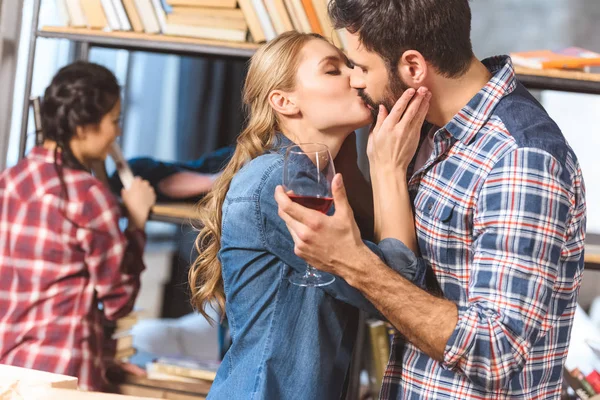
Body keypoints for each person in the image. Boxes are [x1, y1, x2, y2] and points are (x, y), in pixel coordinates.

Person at [275, 0, 587, 399]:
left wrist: (354, 263)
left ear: (413, 67)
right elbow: (408, 272)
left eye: (362, 67)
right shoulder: (418, 130)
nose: (354, 81)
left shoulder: (519, 160)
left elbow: (495, 353)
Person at [188, 31, 430, 399]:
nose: (356, 76)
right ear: (284, 101)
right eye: (333, 70)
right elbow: (395, 288)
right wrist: (388, 169)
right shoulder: (280, 183)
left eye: (351, 65)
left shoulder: (317, 177)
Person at [0, 62, 156, 391]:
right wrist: (137, 223)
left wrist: (105, 354)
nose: (117, 133)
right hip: (64, 374)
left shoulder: (10, 182)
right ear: (83, 128)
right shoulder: (89, 196)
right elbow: (118, 301)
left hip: (9, 373)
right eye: (114, 121)